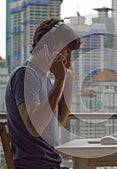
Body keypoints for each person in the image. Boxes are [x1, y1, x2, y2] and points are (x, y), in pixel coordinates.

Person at [5, 18, 82, 169]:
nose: (68, 58)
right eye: (66, 50)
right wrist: (60, 79)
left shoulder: (43, 78)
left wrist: (68, 77)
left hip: (52, 164)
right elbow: (35, 127)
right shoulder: (25, 75)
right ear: (48, 45)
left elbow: (60, 119)